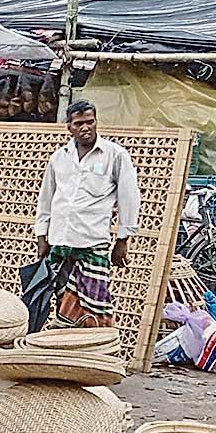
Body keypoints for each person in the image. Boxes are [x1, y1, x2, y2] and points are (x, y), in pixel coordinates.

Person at [33, 100, 141, 331]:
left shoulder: (115, 155)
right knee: (62, 300)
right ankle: (66, 349)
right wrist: (42, 236)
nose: (86, 128)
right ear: (69, 127)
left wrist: (123, 240)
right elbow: (47, 199)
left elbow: (129, 197)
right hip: (60, 243)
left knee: (96, 302)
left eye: (90, 122)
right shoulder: (59, 158)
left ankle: (95, 348)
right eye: (79, 123)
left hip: (92, 242)